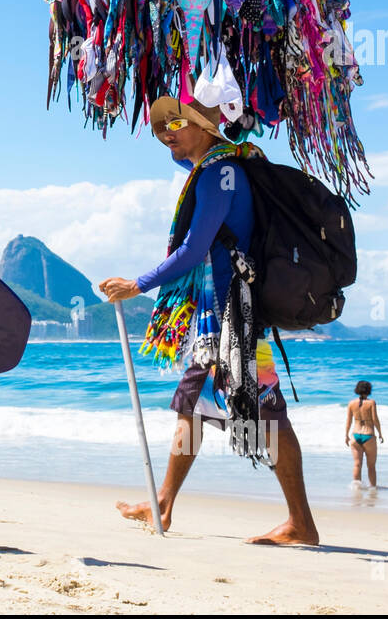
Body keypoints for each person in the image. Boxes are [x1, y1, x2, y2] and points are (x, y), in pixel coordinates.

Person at [100, 96, 319, 546]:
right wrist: (180, 144)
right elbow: (191, 177)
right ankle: (162, 503)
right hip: (213, 321)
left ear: (205, 127)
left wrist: (137, 285)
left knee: (267, 414)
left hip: (232, 319)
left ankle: (302, 523)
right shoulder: (214, 170)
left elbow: (195, 250)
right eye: (162, 129)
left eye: (176, 125)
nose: (167, 134)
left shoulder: (222, 173)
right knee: (192, 409)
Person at [345, 380, 383, 487]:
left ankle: (356, 489)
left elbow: (348, 421)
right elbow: (375, 419)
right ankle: (373, 489)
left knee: (357, 464)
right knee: (371, 466)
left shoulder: (351, 403)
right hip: (369, 436)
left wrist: (346, 435)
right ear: (369, 390)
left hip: (355, 435)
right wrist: (380, 433)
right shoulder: (371, 403)